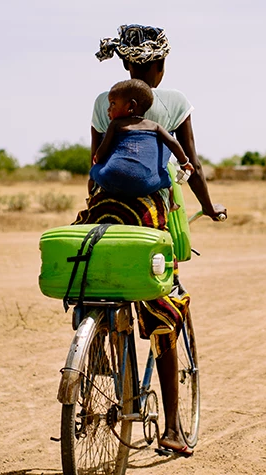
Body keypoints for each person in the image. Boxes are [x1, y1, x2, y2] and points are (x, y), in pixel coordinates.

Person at [74, 23, 226, 457]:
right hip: (151, 216)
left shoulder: (108, 102)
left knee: (92, 271)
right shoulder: (173, 102)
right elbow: (190, 163)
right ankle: (174, 428)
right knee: (164, 307)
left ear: (125, 65)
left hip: (105, 208)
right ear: (159, 68)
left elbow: (94, 162)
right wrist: (210, 207)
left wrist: (95, 202)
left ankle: (96, 340)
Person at [91, 78, 195, 202]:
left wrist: (97, 159)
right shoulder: (155, 126)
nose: (108, 109)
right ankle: (171, 203)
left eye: (112, 104)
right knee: (166, 181)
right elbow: (173, 143)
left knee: (94, 172)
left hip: (114, 177)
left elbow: (102, 150)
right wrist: (184, 163)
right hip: (147, 183)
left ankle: (92, 195)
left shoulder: (115, 125)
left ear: (131, 106)